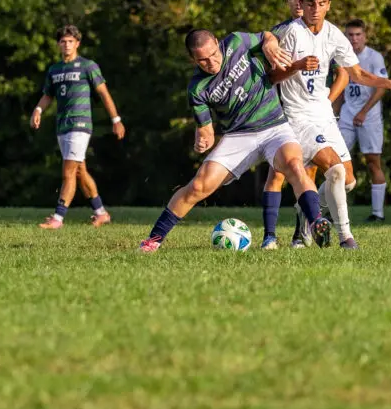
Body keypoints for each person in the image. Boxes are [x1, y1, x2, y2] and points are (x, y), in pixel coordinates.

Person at [138, 28, 332, 253]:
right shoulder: (197, 89)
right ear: (192, 60)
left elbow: (267, 36)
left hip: (274, 126)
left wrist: (270, 43)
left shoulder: (237, 41)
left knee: (294, 165)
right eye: (203, 60)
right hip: (238, 135)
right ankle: (154, 240)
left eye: (213, 54)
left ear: (218, 43)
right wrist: (203, 140)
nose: (211, 62)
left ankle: (316, 222)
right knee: (199, 185)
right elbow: (206, 131)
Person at [273, 0, 391, 249]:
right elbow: (272, 77)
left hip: (325, 115)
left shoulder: (333, 34)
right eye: (310, 3)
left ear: (329, 5)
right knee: (334, 171)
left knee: (348, 181)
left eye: (322, 3)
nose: (316, 8)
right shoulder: (291, 33)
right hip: (299, 117)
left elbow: (357, 73)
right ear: (301, 4)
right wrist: (296, 66)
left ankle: (305, 213)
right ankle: (346, 238)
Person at [259, 0, 349, 250]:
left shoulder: (323, 31)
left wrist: (325, 101)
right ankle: (271, 237)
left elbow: (343, 72)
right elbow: (266, 58)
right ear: (289, 1)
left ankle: (304, 228)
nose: (299, 3)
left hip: (313, 115)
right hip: (283, 113)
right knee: (279, 174)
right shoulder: (281, 32)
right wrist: (267, 38)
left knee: (321, 175)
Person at [31, 25, 125, 229]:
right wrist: (38, 110)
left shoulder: (88, 66)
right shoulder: (54, 70)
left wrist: (116, 119)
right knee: (80, 170)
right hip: (62, 125)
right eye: (63, 41)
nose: (66, 45)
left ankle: (58, 218)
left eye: (70, 41)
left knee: (68, 171)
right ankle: (101, 213)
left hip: (80, 124)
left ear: (77, 44)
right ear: (58, 44)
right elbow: (48, 95)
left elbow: (104, 93)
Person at [336, 19, 389, 222]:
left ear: (364, 36)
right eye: (350, 35)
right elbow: (340, 88)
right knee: (337, 162)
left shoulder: (374, 57)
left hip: (370, 116)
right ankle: (336, 212)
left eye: (358, 34)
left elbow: (382, 87)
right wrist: (335, 115)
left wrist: (364, 112)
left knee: (372, 162)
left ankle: (378, 213)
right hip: (348, 114)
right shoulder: (341, 58)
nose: (354, 39)